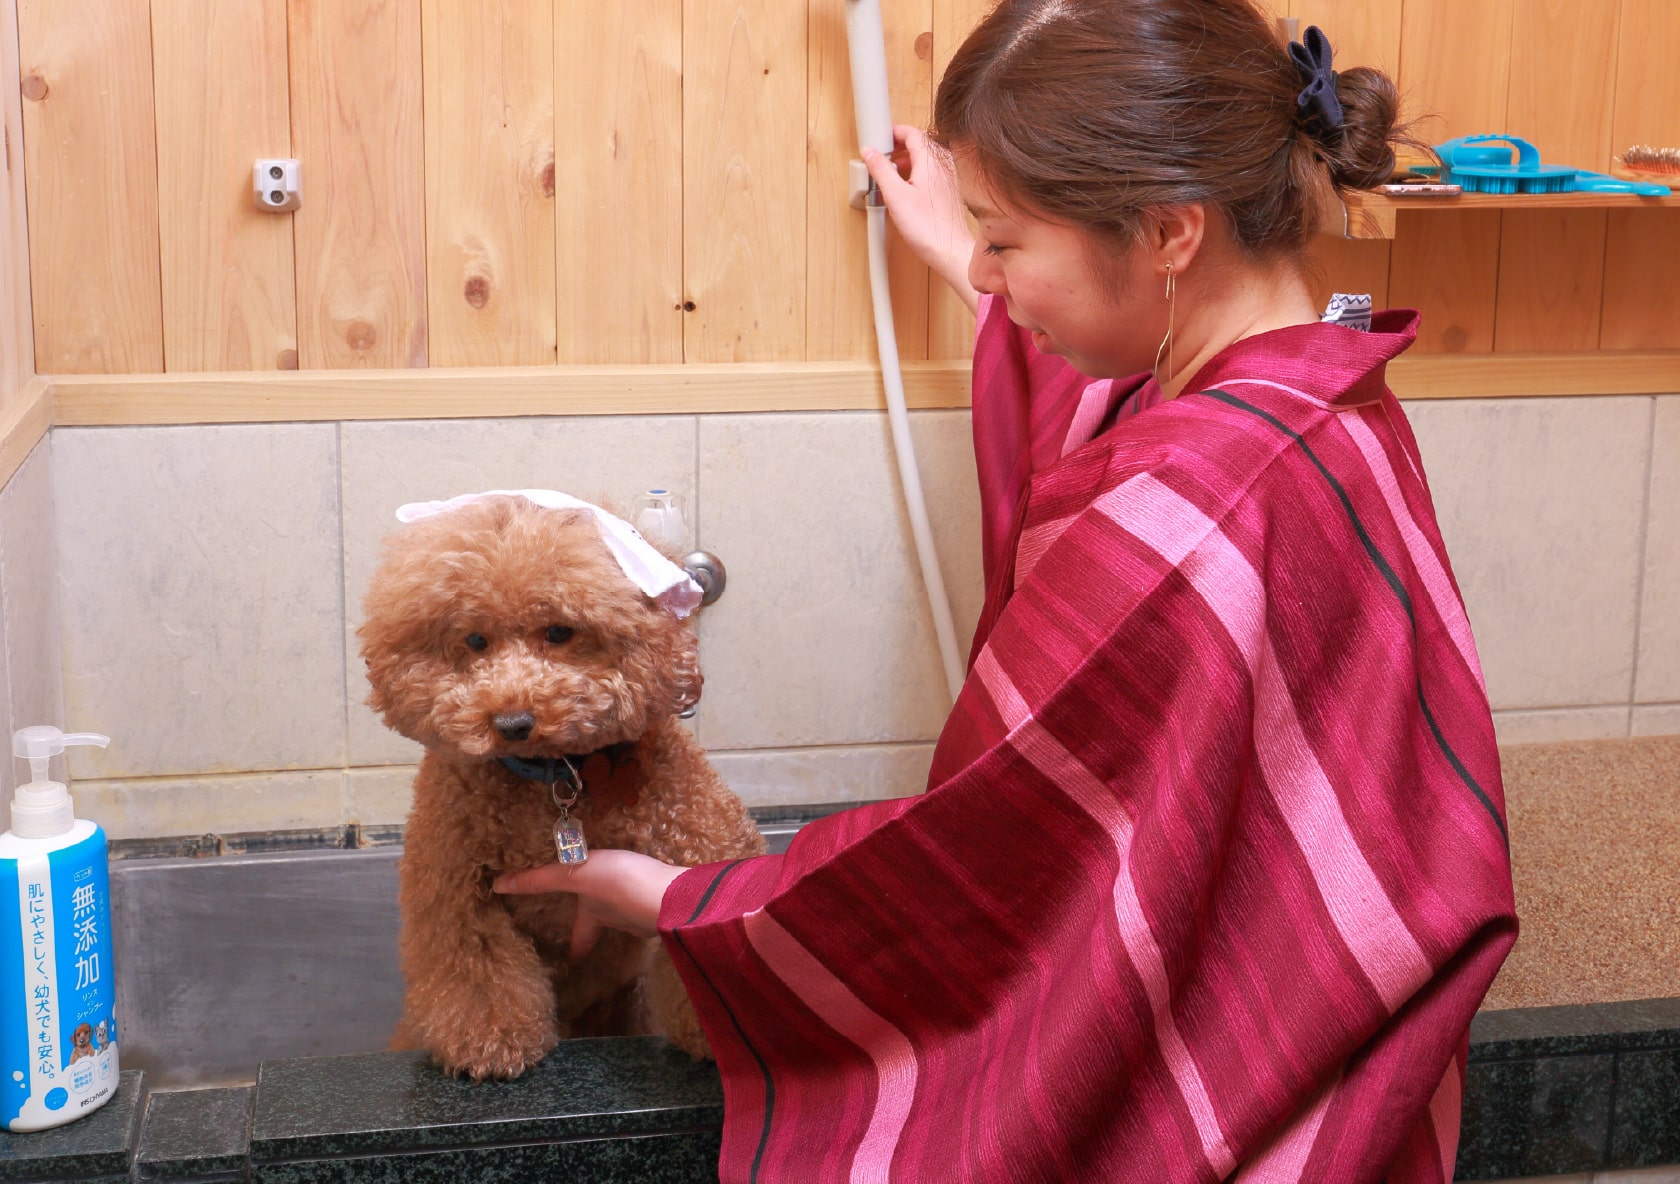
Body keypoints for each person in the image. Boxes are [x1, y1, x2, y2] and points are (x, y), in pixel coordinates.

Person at [496, 1, 1518, 1178]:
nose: (985, 277)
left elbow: (997, 868)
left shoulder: (1195, 506)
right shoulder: (1326, 393)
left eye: (1005, 239)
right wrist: (968, 240)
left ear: (1171, 230)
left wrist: (679, 896)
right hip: (1326, 1035)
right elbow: (1093, 374)